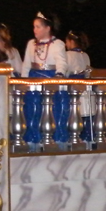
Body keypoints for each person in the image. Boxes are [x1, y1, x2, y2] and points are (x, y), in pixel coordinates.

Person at [20, 12, 68, 145]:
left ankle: (57, 138)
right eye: (34, 27)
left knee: (55, 108)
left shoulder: (58, 44)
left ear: (48, 28)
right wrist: (22, 81)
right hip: (34, 78)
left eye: (38, 27)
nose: (34, 30)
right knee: (32, 107)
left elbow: (61, 62)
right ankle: (33, 138)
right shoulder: (31, 44)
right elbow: (26, 64)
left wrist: (59, 74)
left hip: (51, 78)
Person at [66, 30, 94, 143]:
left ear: (71, 42)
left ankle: (71, 137)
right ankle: (87, 138)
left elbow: (65, 72)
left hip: (73, 88)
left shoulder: (68, 55)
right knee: (85, 114)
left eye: (67, 41)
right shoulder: (85, 55)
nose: (66, 44)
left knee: (73, 113)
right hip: (85, 88)